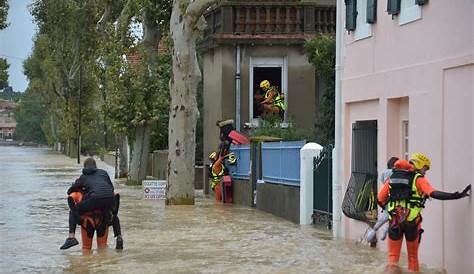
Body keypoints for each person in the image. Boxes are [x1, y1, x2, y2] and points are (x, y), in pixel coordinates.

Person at [378, 153, 471, 272]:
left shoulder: (392, 178)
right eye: (425, 168)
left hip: (394, 221)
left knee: (393, 257)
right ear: (419, 165)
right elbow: (434, 193)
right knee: (412, 258)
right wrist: (456, 196)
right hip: (412, 223)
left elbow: (380, 199)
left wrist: (391, 211)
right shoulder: (419, 179)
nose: (425, 171)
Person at [60, 158, 124, 250]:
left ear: (84, 167)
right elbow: (112, 190)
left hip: (88, 216)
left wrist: (79, 188)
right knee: (102, 248)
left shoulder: (83, 177)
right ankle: (119, 236)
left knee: (86, 248)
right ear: (96, 166)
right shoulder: (104, 173)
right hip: (107, 207)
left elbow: (70, 194)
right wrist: (113, 216)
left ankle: (71, 237)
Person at [367, 157, 399, 243]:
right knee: (391, 217)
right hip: (394, 201)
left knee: (384, 218)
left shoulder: (383, 174)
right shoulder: (395, 173)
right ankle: (384, 231)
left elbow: (383, 182)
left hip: (386, 200)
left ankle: (373, 232)